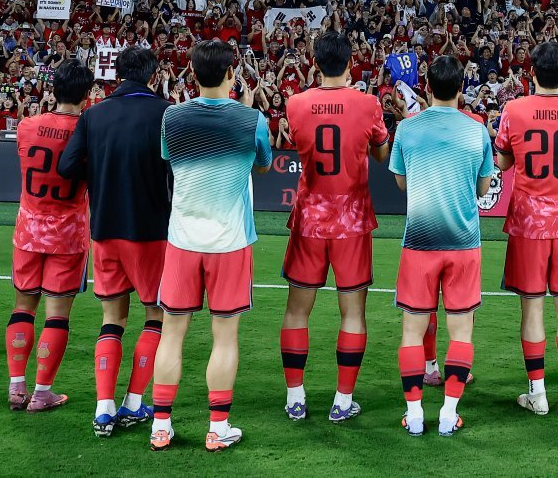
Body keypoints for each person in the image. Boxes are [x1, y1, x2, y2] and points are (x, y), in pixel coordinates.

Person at [149, 39, 273, 452]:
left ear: (193, 73)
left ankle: (160, 426)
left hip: (183, 240)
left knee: (172, 334)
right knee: (224, 337)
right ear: (231, 75)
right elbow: (263, 163)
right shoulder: (251, 119)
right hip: (230, 242)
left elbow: (170, 158)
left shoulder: (172, 118)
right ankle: (217, 428)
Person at [58, 45, 173, 438]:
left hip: (104, 228)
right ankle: (134, 402)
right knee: (155, 315)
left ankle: (103, 408)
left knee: (112, 319)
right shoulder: (164, 113)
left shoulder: (93, 114)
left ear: (117, 74)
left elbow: (67, 166)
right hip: (151, 231)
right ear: (153, 75)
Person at [279, 31, 391, 424]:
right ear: (350, 62)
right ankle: (342, 401)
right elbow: (381, 155)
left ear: (314, 60)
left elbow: (297, 143)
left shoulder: (296, 103)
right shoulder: (368, 104)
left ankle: (296, 397)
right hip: (353, 219)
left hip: (310, 215)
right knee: (353, 311)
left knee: (297, 310)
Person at [391, 54, 496, 436]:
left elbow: (402, 184)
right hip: (463, 241)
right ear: (461, 89)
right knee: (461, 331)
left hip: (419, 242)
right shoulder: (477, 130)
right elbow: (483, 188)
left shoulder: (408, 128)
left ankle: (415, 414)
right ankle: (449, 415)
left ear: (428, 87)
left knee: (411, 331)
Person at [494, 41, 558, 416]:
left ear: (532, 73)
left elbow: (503, 161)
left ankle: (537, 393)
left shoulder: (514, 109)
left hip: (528, 221)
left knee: (532, 308)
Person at [5, 60, 92, 413]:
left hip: (28, 228)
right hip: (67, 233)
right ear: (87, 95)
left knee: (23, 306)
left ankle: (15, 387)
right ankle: (42, 393)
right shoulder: (88, 130)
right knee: (57, 315)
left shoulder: (27, 125)